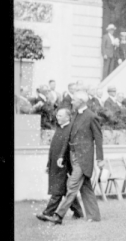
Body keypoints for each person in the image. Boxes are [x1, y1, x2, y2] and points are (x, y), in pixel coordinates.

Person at [42, 91, 104, 224]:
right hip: (73, 156)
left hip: (84, 158)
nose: (72, 102)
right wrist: (61, 156)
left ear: (81, 101)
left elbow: (98, 139)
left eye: (74, 100)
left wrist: (100, 158)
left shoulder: (91, 117)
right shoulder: (75, 114)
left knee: (72, 185)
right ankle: (94, 216)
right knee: (85, 187)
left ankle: (58, 216)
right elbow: (69, 138)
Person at [37, 108, 84, 222]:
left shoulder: (71, 129)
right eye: (57, 115)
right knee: (64, 189)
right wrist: (49, 164)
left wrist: (63, 160)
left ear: (67, 117)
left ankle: (48, 213)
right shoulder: (59, 128)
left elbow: (70, 148)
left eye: (60, 116)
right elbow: (52, 148)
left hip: (64, 164)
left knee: (58, 188)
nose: (57, 117)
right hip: (55, 164)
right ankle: (78, 212)